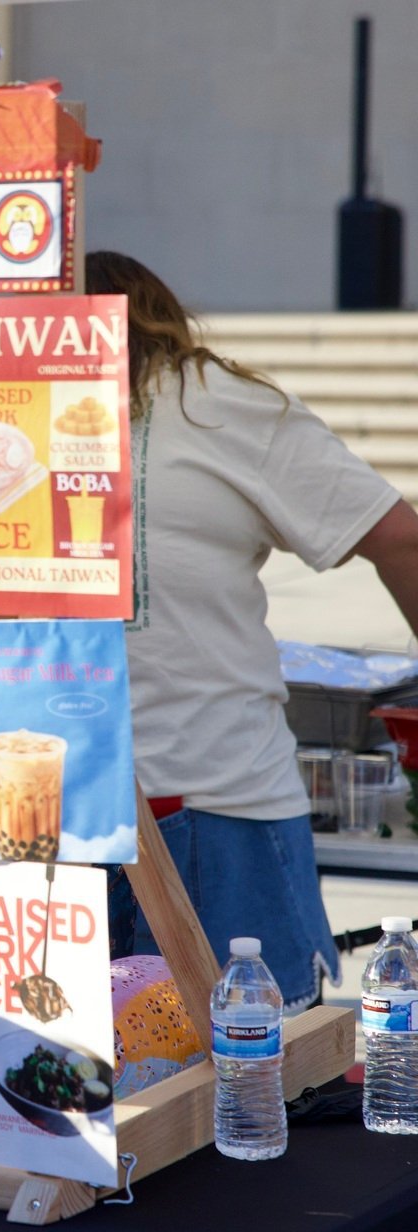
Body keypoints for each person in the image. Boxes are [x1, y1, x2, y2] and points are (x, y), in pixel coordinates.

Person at [87, 249, 418, 1009]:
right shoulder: (219, 402)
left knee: (190, 1093)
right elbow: (400, 536)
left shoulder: (211, 401)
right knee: (210, 1097)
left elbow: (394, 534)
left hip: (201, 810)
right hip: (103, 810)